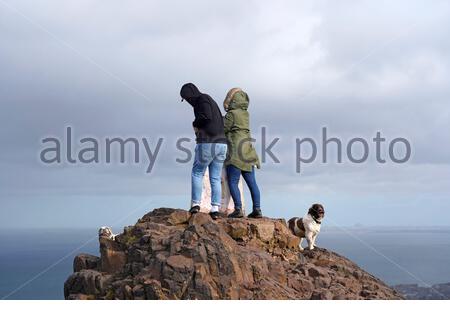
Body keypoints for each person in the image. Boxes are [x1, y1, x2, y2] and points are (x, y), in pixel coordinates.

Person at [180, 83, 228, 220]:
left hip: (208, 142)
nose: (188, 101)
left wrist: (195, 123)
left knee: (197, 172)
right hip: (222, 144)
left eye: (187, 98)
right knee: (215, 177)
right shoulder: (210, 100)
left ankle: (196, 204)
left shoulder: (202, 100)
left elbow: (205, 117)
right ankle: (215, 209)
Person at [223, 88, 262, 219]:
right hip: (248, 151)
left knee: (233, 181)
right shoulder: (246, 114)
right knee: (252, 183)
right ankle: (257, 209)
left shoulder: (231, 114)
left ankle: (238, 208)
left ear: (232, 100)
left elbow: (223, 129)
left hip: (236, 152)